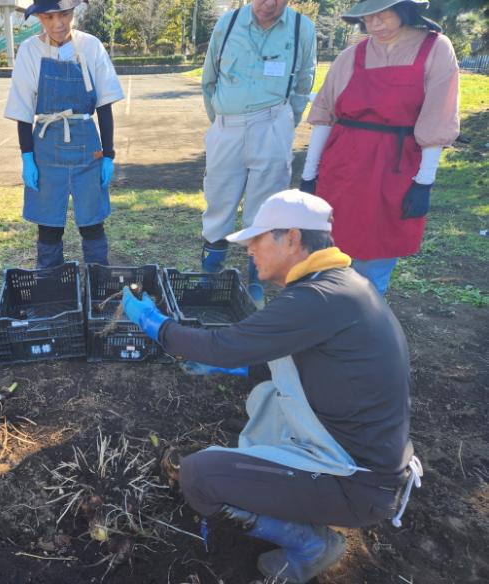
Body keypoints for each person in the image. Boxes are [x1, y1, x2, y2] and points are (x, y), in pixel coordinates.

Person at [121, 190, 422, 583]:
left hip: (358, 483)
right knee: (265, 399)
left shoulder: (319, 297)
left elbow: (225, 345)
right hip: (369, 461)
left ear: (292, 238)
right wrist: (230, 371)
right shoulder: (341, 286)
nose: (249, 250)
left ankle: (311, 545)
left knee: (199, 475)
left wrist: (156, 326)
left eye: (257, 240)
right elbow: (301, 365)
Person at [300, 0, 459, 295]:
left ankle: (365, 323)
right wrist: (309, 175)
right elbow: (324, 116)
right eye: (368, 19)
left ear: (405, 10)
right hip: (342, 164)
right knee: (328, 248)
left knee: (377, 251)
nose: (374, 26)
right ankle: (322, 318)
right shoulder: (352, 55)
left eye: (382, 16)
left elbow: (438, 119)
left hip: (394, 167)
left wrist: (424, 182)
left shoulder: (435, 49)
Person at [200, 0, 316, 307]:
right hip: (228, 125)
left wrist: (284, 124)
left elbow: (304, 82)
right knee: (218, 202)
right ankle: (208, 276)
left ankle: (256, 282)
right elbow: (209, 78)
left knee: (264, 211)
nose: (269, 4)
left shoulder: (301, 28)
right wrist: (224, 122)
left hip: (272, 124)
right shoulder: (228, 24)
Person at [4, 0, 124, 269]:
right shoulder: (29, 50)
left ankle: (98, 282)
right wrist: (27, 157)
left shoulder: (91, 46)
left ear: (74, 12)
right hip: (46, 146)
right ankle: (51, 286)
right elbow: (23, 109)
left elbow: (104, 105)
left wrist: (108, 154)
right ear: (38, 18)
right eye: (48, 17)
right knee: (49, 225)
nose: (58, 24)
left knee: (92, 222)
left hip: (87, 145)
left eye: (65, 15)